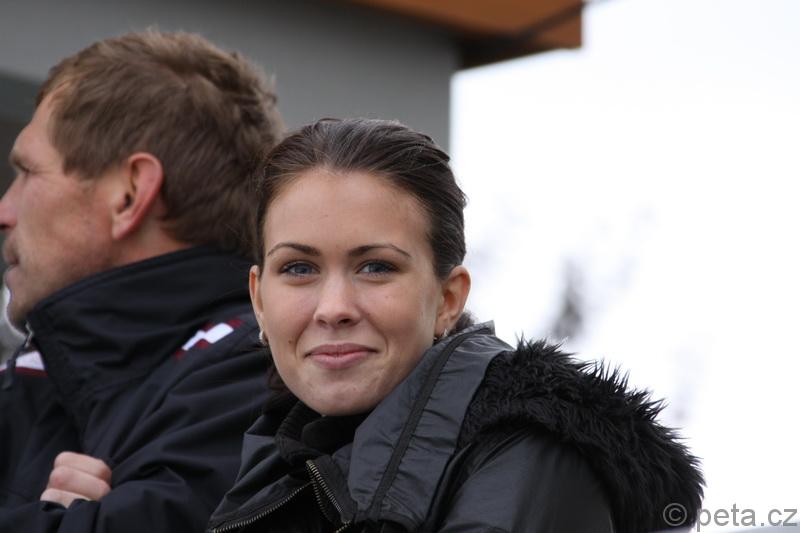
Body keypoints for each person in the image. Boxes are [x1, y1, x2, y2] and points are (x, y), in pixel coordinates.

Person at [207, 118, 704, 533]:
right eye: (299, 268)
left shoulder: (527, 457)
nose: (333, 307)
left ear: (448, 299)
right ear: (259, 299)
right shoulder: (272, 465)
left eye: (376, 267)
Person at [0, 31, 283, 532]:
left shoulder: (256, 379)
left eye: (27, 171)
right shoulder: (35, 377)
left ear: (130, 194)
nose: (5, 210)